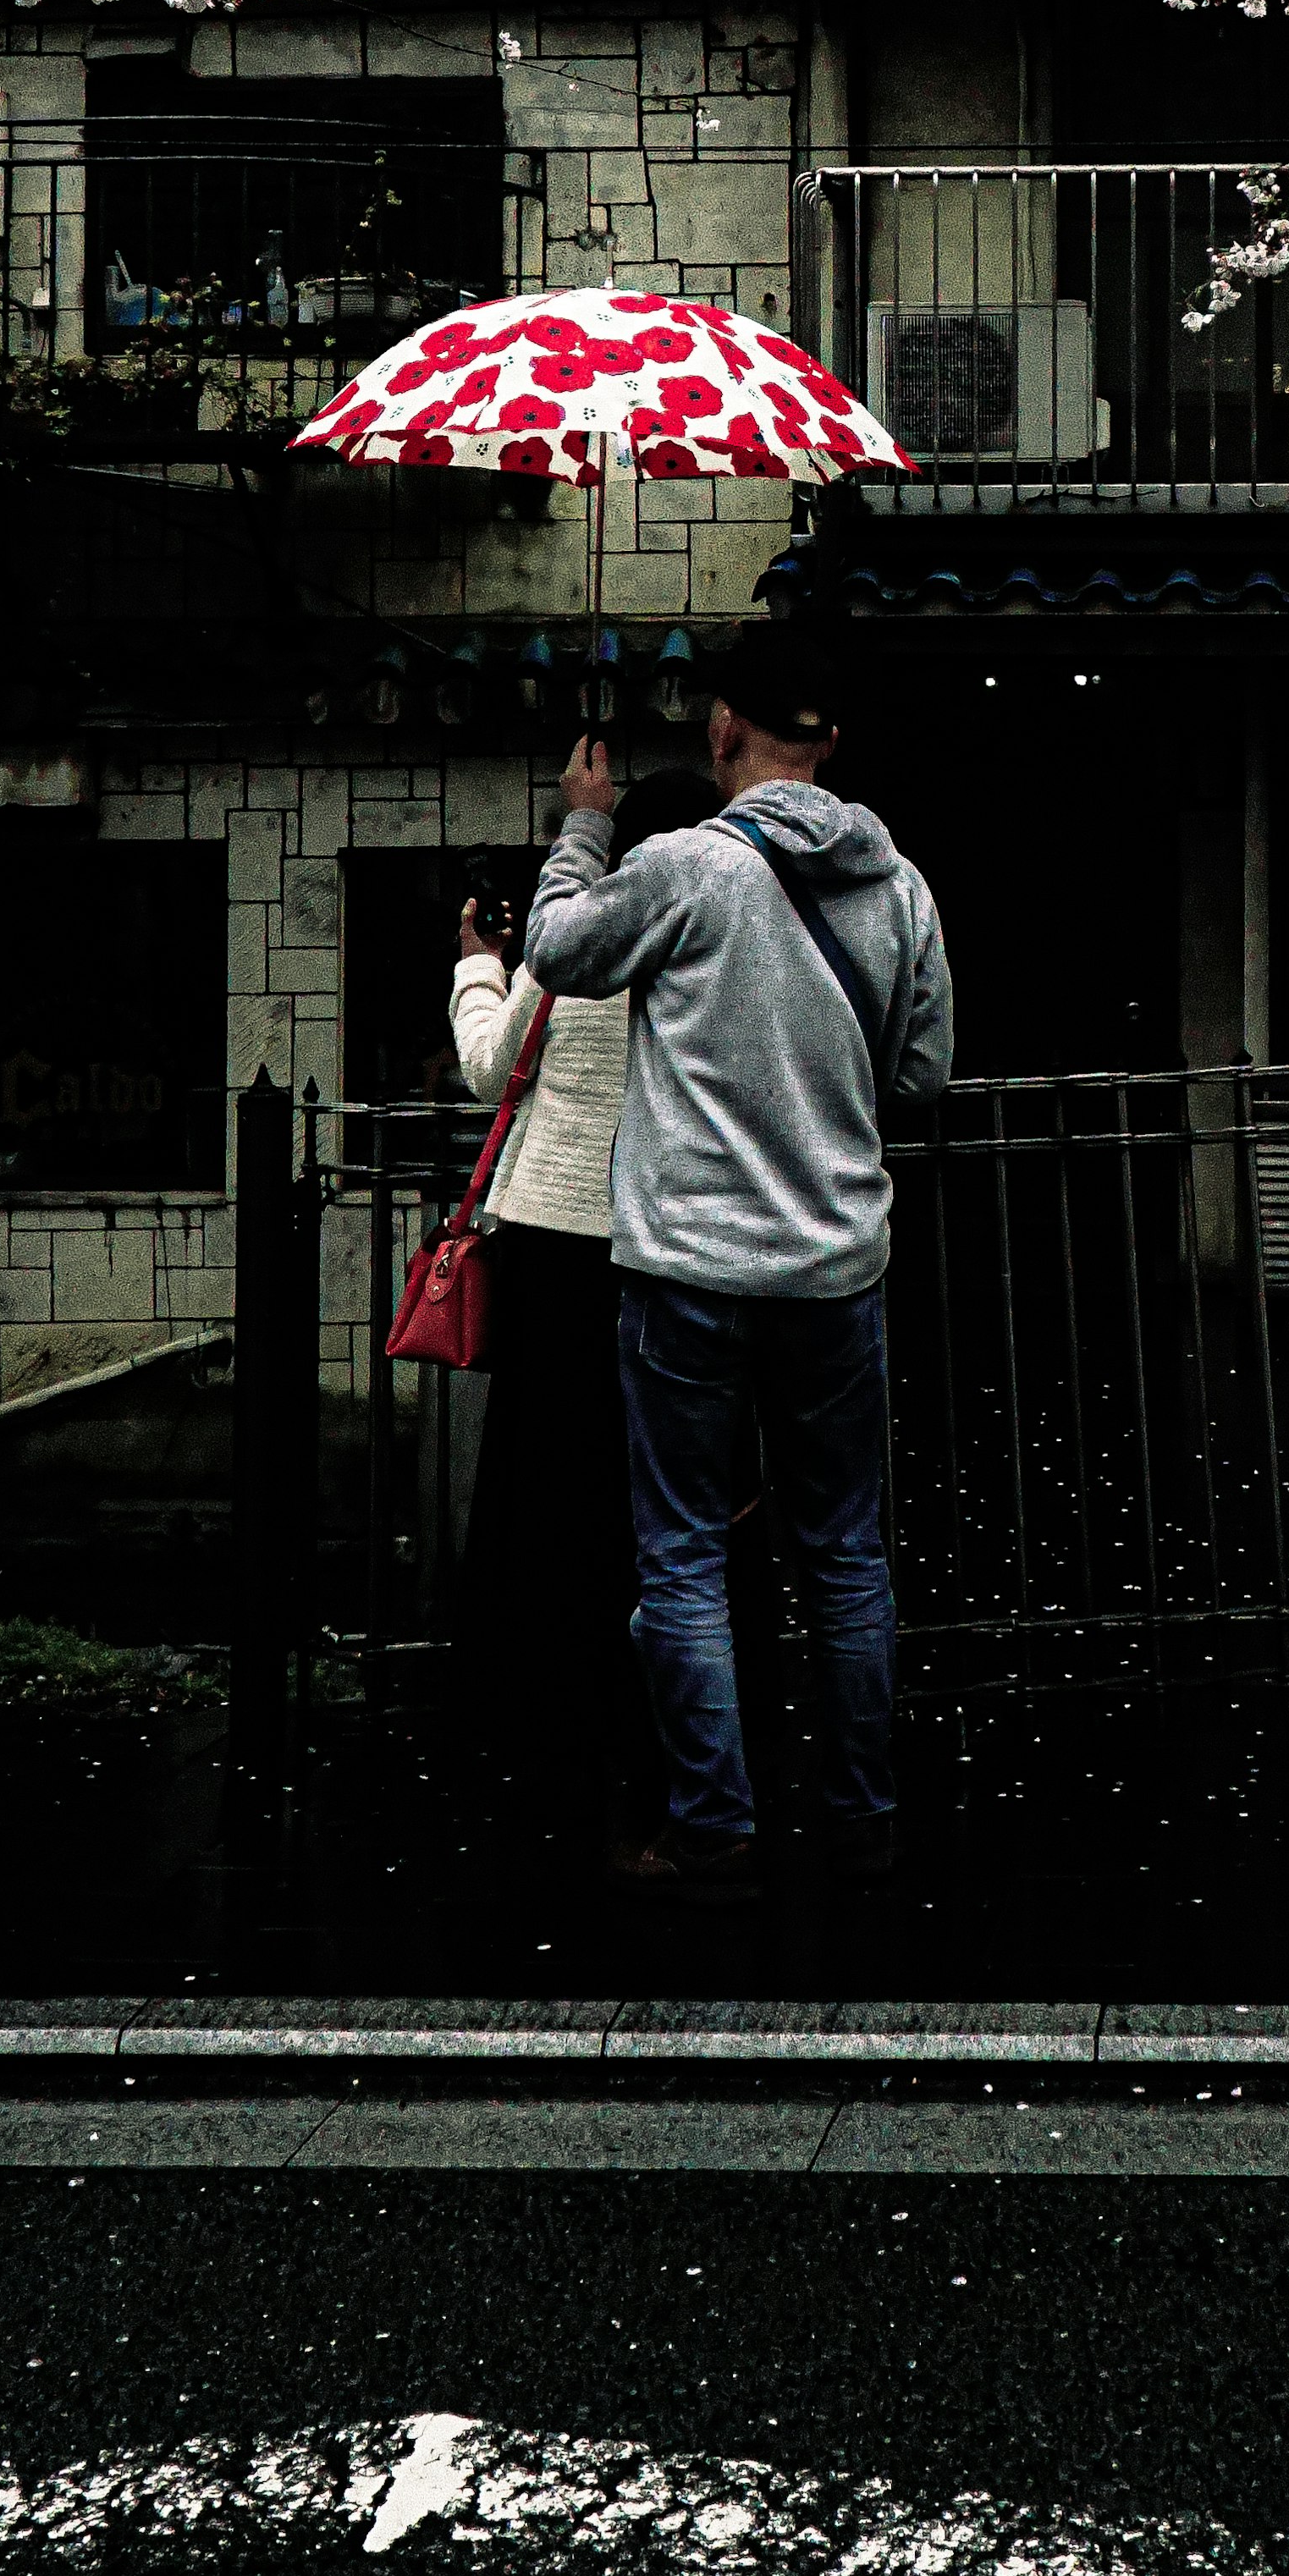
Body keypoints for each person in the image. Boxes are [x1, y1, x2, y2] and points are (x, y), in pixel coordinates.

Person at [521, 626, 951, 1907]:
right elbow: (921, 1079)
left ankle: (712, 1825)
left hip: (690, 1277)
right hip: (836, 1277)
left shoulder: (682, 870)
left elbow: (557, 952)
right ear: (830, 745)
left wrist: (584, 826)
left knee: (685, 1555)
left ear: (721, 734)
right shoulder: (903, 889)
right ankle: (864, 1820)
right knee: (845, 1555)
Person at [449, 762, 724, 1826]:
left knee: (537, 1479)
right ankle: (640, 1710)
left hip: (546, 1245)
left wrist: (481, 964)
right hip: (659, 1241)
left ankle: (524, 1709)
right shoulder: (707, 941)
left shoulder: (578, 937)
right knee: (642, 1490)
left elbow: (489, 1067)